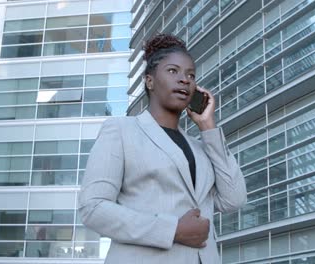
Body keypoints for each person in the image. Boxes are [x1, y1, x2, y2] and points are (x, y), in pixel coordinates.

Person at [79, 33, 247, 264]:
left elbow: (234, 199)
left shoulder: (200, 148)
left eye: (191, 75)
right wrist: (173, 230)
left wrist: (208, 127)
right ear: (149, 81)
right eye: (173, 71)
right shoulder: (121, 130)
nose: (185, 79)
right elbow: (93, 208)